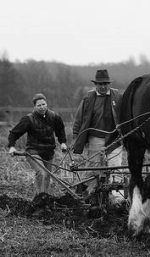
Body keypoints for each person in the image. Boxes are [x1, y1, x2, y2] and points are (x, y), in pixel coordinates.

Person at [72, 69, 123, 197]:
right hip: (96, 137)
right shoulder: (88, 98)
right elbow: (79, 119)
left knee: (115, 167)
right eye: (100, 84)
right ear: (96, 84)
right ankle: (91, 195)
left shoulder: (118, 97)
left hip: (114, 138)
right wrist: (75, 137)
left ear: (109, 84)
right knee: (94, 168)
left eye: (105, 83)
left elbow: (126, 117)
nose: (103, 86)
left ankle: (117, 199)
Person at [8, 93, 67, 196]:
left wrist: (62, 143)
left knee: (47, 176)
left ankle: (44, 201)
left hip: (49, 152)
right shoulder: (29, 119)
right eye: (39, 105)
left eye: (43, 104)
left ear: (46, 104)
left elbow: (60, 130)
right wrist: (12, 146)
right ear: (34, 107)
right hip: (33, 151)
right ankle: (39, 201)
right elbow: (14, 133)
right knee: (41, 173)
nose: (42, 107)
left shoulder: (54, 116)